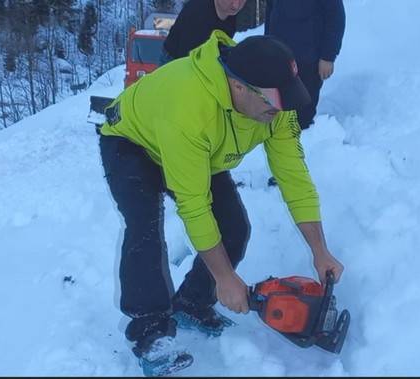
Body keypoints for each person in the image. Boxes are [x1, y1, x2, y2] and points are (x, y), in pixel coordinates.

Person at [98, 31, 344, 376]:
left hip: (200, 151)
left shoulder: (275, 107)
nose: (280, 110)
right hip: (132, 142)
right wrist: (225, 277)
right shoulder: (189, 104)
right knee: (144, 226)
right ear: (239, 87)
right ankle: (150, 332)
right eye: (274, 102)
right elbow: (194, 205)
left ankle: (192, 302)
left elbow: (295, 178)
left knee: (233, 227)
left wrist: (320, 251)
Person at [265, 0, 346, 130]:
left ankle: (303, 141)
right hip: (278, 53)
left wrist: (328, 56)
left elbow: (335, 18)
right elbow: (271, 10)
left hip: (308, 59)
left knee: (303, 112)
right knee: (276, 107)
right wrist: (267, 44)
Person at [160, 0, 246, 64]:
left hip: (206, 57)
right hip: (175, 61)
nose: (236, 5)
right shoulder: (197, 13)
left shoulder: (232, 12)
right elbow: (186, 61)